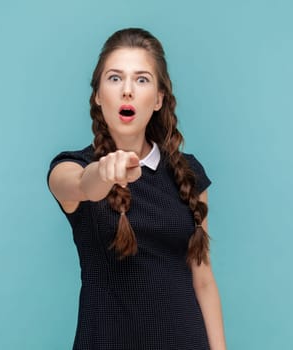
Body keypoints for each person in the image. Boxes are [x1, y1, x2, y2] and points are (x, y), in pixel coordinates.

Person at [48, 28, 226, 350]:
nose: (127, 90)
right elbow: (78, 185)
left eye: (141, 79)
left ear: (158, 98)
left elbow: (203, 279)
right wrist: (104, 173)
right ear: (98, 95)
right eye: (115, 78)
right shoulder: (70, 166)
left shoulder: (189, 173)